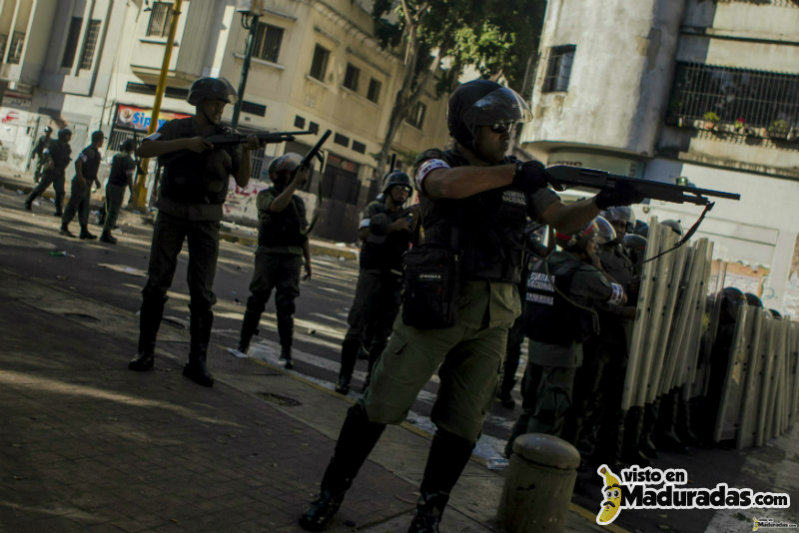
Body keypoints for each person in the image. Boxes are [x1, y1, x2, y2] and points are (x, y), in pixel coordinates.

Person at [298, 79, 642, 533]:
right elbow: (442, 186)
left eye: (511, 128)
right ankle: (330, 494)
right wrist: (515, 174)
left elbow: (560, 219)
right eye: (497, 128)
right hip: (436, 304)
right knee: (381, 403)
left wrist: (600, 201)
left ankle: (429, 513)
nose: (507, 136)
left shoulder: (522, 173)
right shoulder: (442, 162)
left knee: (463, 422)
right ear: (468, 127)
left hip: (494, 315)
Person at [127, 77, 262, 387]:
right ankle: (145, 352)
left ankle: (197, 361)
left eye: (223, 105)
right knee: (156, 284)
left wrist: (249, 151)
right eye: (214, 103)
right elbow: (144, 149)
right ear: (199, 102)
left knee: (202, 294)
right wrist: (186, 144)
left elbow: (241, 181)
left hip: (207, 220)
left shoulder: (229, 137)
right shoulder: (177, 128)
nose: (219, 109)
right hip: (172, 212)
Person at [505, 220, 626, 457]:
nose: (595, 245)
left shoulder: (543, 264)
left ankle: (512, 452)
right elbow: (617, 295)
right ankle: (531, 465)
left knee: (529, 408)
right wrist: (597, 264)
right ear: (581, 242)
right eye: (592, 241)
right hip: (563, 353)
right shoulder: (585, 273)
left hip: (538, 348)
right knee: (549, 412)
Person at [335, 170, 417, 395]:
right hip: (372, 274)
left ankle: (371, 382)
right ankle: (344, 377)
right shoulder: (375, 209)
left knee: (382, 335)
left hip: (394, 277)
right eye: (398, 188)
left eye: (406, 190)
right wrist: (392, 227)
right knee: (356, 327)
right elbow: (363, 233)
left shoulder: (409, 216)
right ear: (388, 189)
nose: (402, 193)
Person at [236, 153, 312, 369]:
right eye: (289, 173)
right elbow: (276, 206)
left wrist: (308, 261)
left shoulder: (298, 202)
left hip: (291, 258)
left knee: (286, 305)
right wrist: (294, 185)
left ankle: (286, 354)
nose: (292, 176)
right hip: (268, 254)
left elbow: (302, 233)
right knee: (257, 300)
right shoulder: (265, 196)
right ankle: (243, 345)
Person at [496, 222, 554, 409]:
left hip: (517, 300)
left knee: (513, 349)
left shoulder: (527, 239)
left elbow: (547, 253)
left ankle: (504, 389)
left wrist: (552, 226)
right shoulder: (501, 234)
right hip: (499, 295)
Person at [60, 130, 105, 239]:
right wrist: (80, 178)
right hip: (81, 183)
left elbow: (92, 169)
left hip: (87, 183)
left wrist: (97, 180)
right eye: (102, 140)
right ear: (99, 140)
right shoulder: (89, 151)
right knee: (73, 204)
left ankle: (84, 230)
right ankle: (64, 227)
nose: (103, 142)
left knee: (84, 207)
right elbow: (78, 162)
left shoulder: (95, 152)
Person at [25, 128, 73, 216]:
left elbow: (67, 159)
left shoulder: (67, 147)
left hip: (60, 171)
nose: (69, 137)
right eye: (68, 135)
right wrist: (50, 160)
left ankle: (59, 210)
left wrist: (64, 167)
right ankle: (28, 201)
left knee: (60, 191)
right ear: (62, 135)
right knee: (41, 187)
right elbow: (46, 152)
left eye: (69, 135)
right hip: (50, 170)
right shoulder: (53, 143)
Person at [100, 139, 138, 244]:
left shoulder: (116, 157)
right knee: (113, 212)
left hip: (110, 185)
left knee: (109, 210)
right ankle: (106, 234)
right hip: (118, 187)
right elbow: (129, 177)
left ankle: (106, 231)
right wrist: (132, 192)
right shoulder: (129, 161)